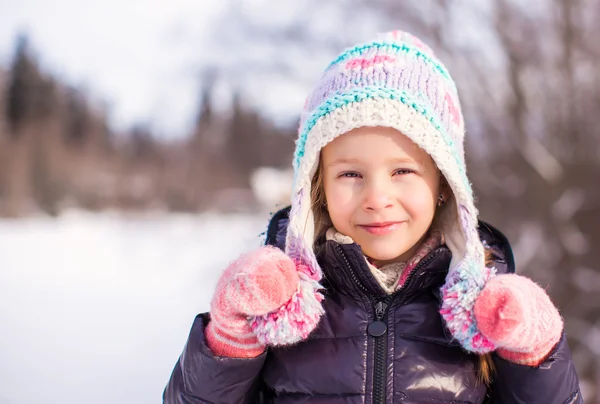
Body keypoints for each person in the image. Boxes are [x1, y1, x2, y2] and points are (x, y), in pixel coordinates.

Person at [164, 30, 582, 403]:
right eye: (350, 174)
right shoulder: (279, 302)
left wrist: (536, 353)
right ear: (317, 186)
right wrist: (229, 339)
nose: (376, 197)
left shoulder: (485, 309)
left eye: (402, 171)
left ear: (443, 184)